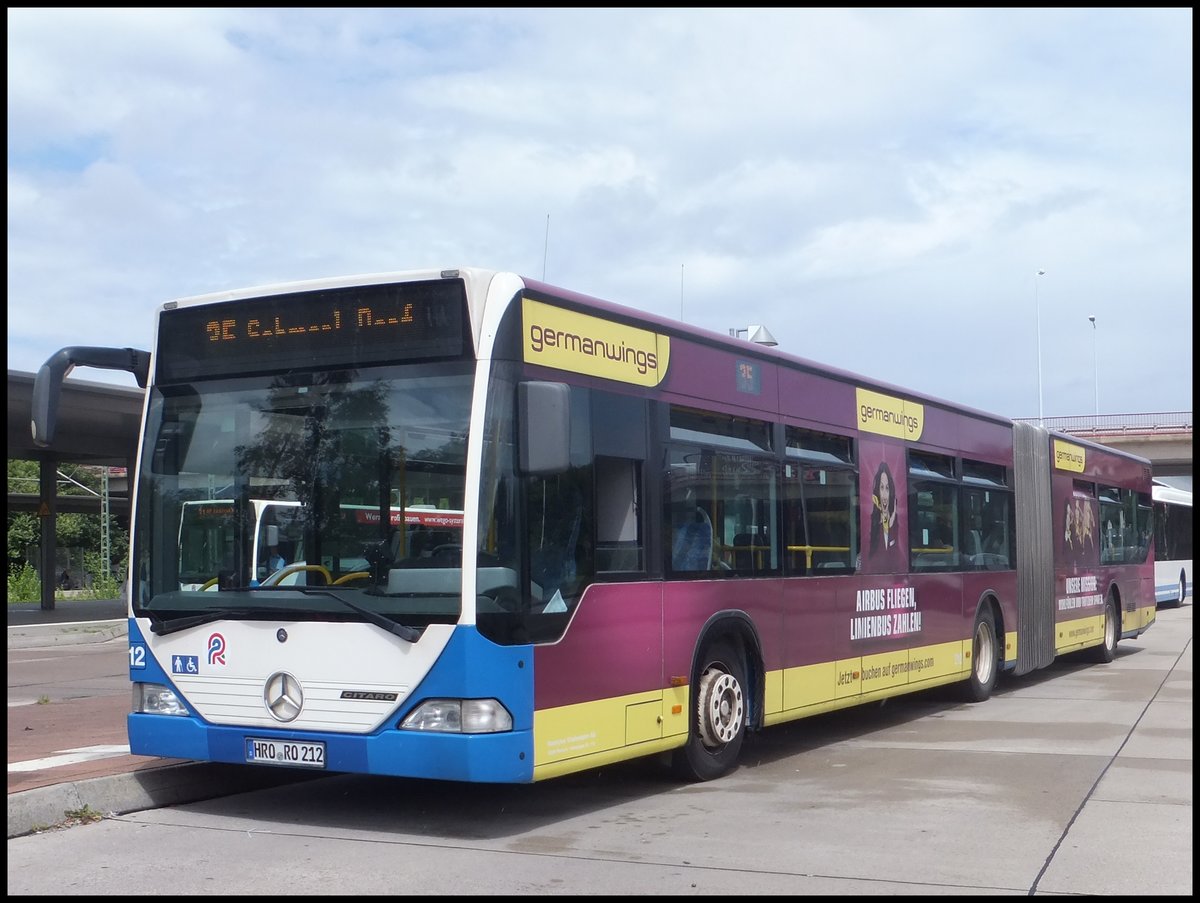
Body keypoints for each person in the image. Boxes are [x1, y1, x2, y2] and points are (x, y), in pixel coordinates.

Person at [869, 461, 899, 559]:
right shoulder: (873, 521)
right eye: (881, 487)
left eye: (887, 488)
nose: (885, 495)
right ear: (877, 492)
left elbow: (897, 559)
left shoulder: (895, 522)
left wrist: (891, 526)